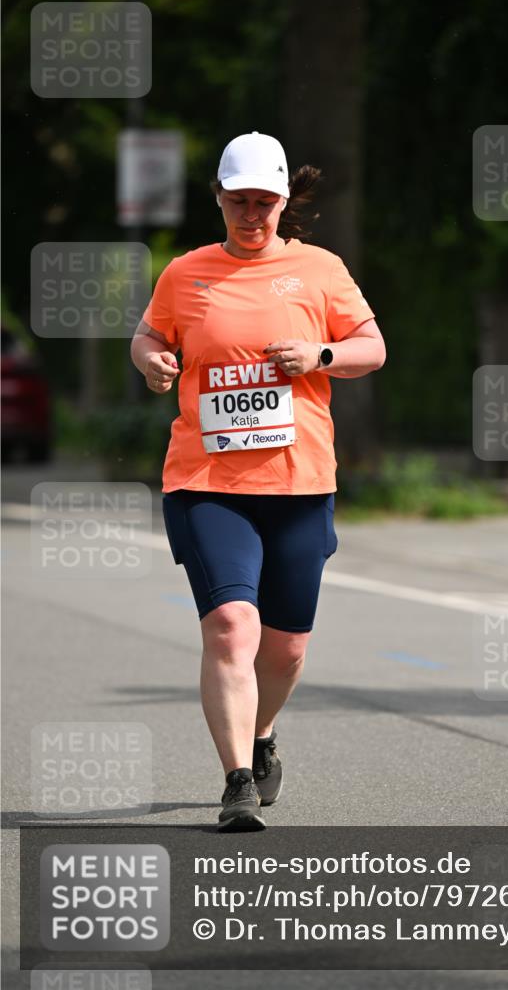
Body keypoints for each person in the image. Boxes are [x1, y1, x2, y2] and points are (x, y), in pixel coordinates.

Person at [131, 131, 385, 831]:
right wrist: (151, 359)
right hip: (206, 480)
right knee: (229, 626)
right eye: (238, 201)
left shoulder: (319, 270)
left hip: (299, 481)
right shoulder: (185, 273)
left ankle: (262, 732)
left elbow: (372, 347)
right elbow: (150, 335)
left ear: (283, 202)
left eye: (264, 203)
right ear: (217, 197)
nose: (251, 215)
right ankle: (237, 780)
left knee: (286, 646)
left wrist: (319, 353)